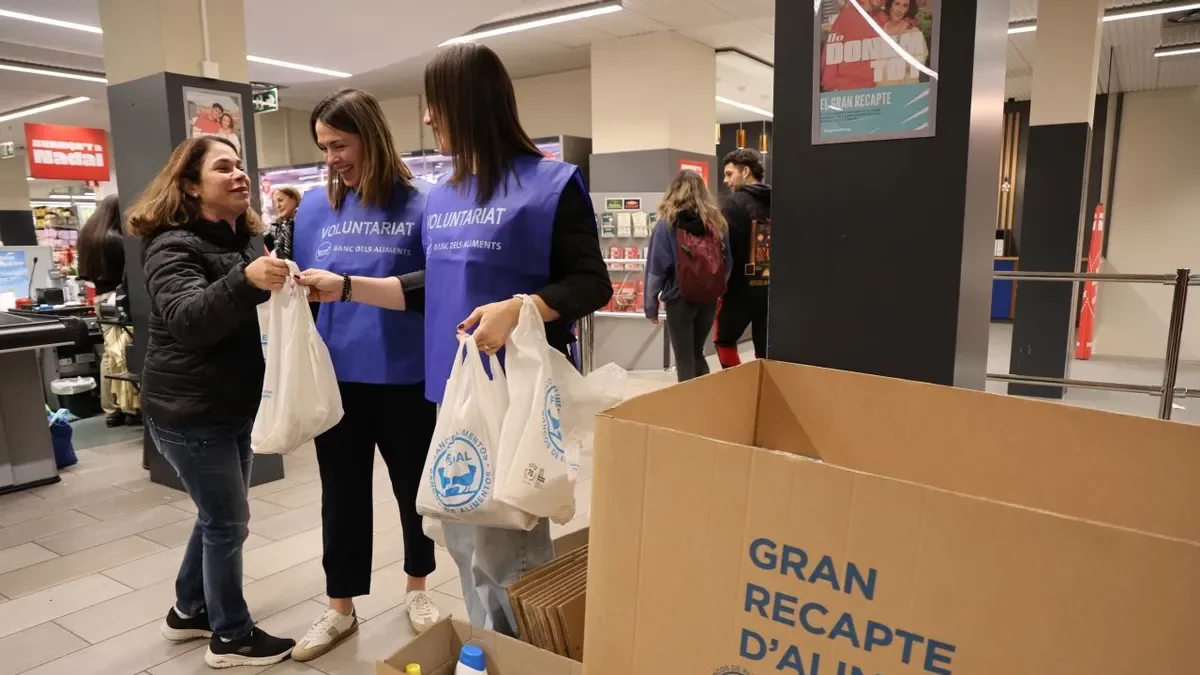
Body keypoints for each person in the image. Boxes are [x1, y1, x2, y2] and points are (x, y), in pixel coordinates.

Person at [297, 44, 612, 637]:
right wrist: (343, 287)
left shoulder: (551, 185)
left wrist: (524, 307)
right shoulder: (443, 196)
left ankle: (524, 651)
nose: (427, 118)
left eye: (435, 104)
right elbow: (426, 289)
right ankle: (489, 649)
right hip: (448, 394)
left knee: (510, 555)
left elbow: (592, 283)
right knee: (466, 548)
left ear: (466, 105)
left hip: (514, 398)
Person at [127, 136, 296, 669]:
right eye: (224, 167)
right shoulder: (171, 245)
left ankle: (188, 611)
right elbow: (189, 320)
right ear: (192, 186)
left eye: (241, 164)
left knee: (216, 515)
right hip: (190, 411)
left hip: (232, 404)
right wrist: (244, 282)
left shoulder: (246, 240)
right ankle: (230, 636)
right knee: (227, 521)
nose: (239, 174)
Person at [288, 88, 440, 661]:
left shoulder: (425, 204)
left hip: (407, 377)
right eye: (323, 147)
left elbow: (435, 292)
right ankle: (339, 607)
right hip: (339, 378)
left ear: (371, 138)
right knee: (342, 495)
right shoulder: (313, 209)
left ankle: (418, 586)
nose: (331, 157)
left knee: (414, 493)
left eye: (340, 144)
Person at [644, 169, 731, 382]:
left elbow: (656, 268)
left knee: (683, 358)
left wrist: (651, 307)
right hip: (708, 299)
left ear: (673, 190)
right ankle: (705, 399)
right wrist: (714, 288)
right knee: (697, 351)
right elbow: (727, 263)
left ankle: (689, 407)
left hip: (679, 299)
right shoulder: (717, 223)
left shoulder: (667, 224)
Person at [77, 194, 142, 427]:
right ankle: (128, 406)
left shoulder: (87, 236)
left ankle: (110, 408)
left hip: (101, 299)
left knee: (109, 354)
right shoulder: (116, 240)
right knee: (124, 353)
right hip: (118, 299)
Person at [715, 149, 771, 369]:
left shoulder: (733, 204)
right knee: (766, 347)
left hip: (738, 288)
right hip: (771, 288)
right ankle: (766, 389)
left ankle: (737, 390)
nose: (726, 180)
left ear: (745, 171)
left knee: (724, 340)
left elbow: (725, 250)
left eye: (729, 174)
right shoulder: (778, 199)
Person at [820, 0, 887, 92]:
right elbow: (830, 53)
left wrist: (909, 21)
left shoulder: (883, 17)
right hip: (846, 89)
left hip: (874, 90)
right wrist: (830, 87)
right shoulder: (846, 16)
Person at [263, 186, 300, 261]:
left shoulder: (305, 223)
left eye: (280, 200)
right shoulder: (276, 228)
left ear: (294, 198)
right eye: (275, 202)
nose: (277, 206)